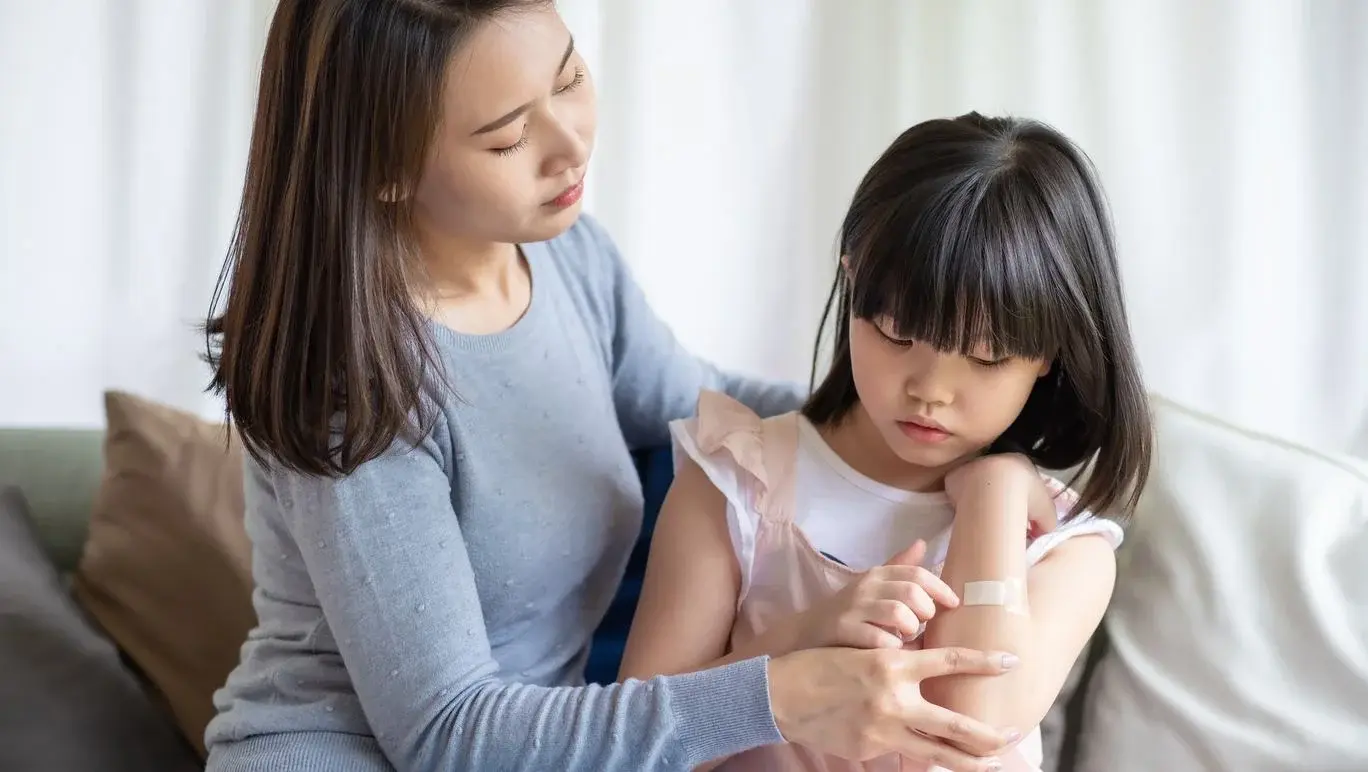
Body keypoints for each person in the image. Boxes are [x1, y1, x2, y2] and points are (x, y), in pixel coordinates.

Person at [201, 3, 1023, 771]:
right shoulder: (349, 386)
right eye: (506, 137)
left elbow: (714, 403)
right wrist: (784, 692)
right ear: (381, 169)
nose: (570, 145)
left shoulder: (560, 257)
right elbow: (447, 734)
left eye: (567, 78)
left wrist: (968, 433)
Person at [618, 113, 1155, 771]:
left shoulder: (1064, 547)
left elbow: (972, 721)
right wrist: (809, 634)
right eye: (898, 336)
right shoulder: (737, 480)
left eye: (985, 359)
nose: (930, 390)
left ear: (1047, 351)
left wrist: (994, 493)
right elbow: (636, 744)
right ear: (853, 282)